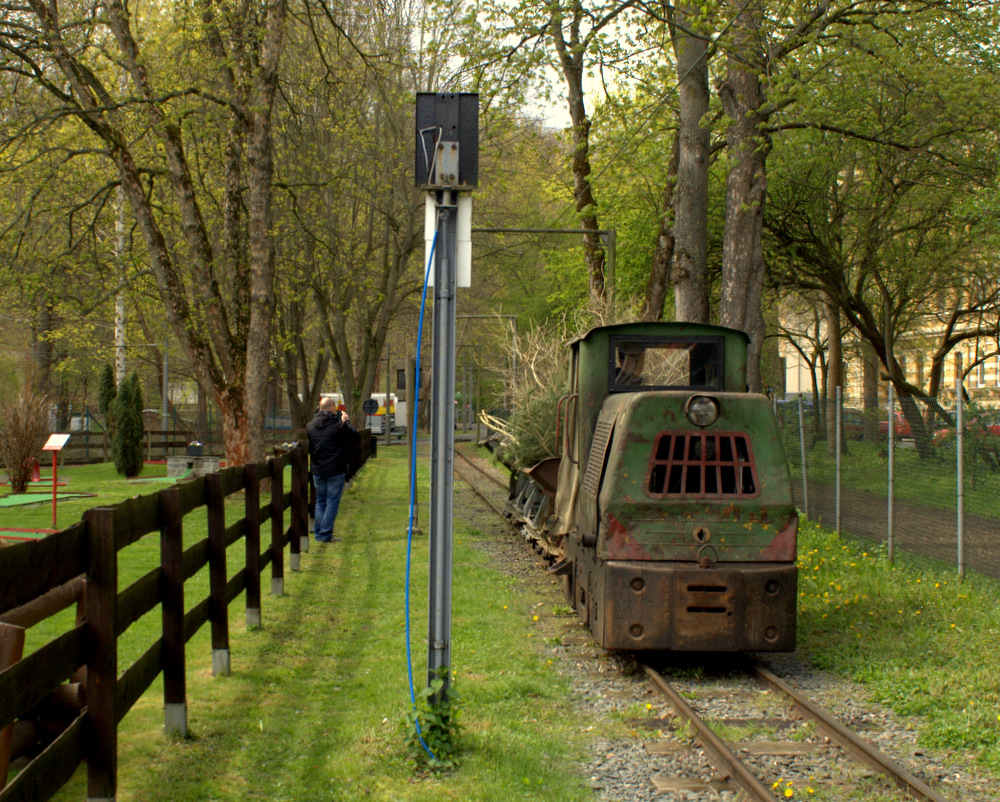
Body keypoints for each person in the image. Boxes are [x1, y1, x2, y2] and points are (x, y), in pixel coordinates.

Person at [307, 396, 358, 542]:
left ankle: (318, 532)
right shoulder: (338, 425)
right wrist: (346, 420)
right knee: (332, 502)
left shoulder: (310, 426)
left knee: (320, 501)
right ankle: (325, 533)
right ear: (332, 408)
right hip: (335, 468)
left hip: (318, 468)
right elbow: (353, 436)